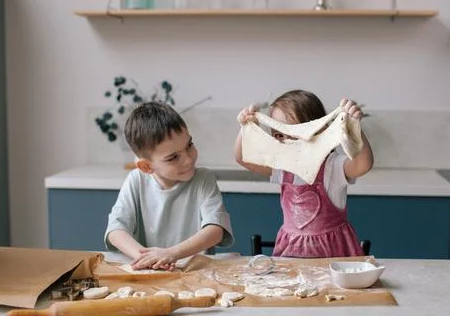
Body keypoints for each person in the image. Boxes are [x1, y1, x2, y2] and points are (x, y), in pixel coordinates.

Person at [234, 90, 373, 258]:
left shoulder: (332, 166)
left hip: (333, 256)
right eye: (279, 135)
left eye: (295, 134)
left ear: (319, 131)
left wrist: (354, 128)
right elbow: (243, 158)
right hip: (290, 255)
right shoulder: (282, 167)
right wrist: (246, 127)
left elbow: (363, 165)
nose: (286, 142)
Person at [105, 102, 234, 270]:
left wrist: (171, 253)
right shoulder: (136, 180)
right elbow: (116, 230)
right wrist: (146, 258)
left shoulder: (203, 179)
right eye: (173, 157)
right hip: (149, 272)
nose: (188, 159)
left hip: (195, 274)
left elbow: (216, 230)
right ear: (147, 167)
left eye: (189, 145)